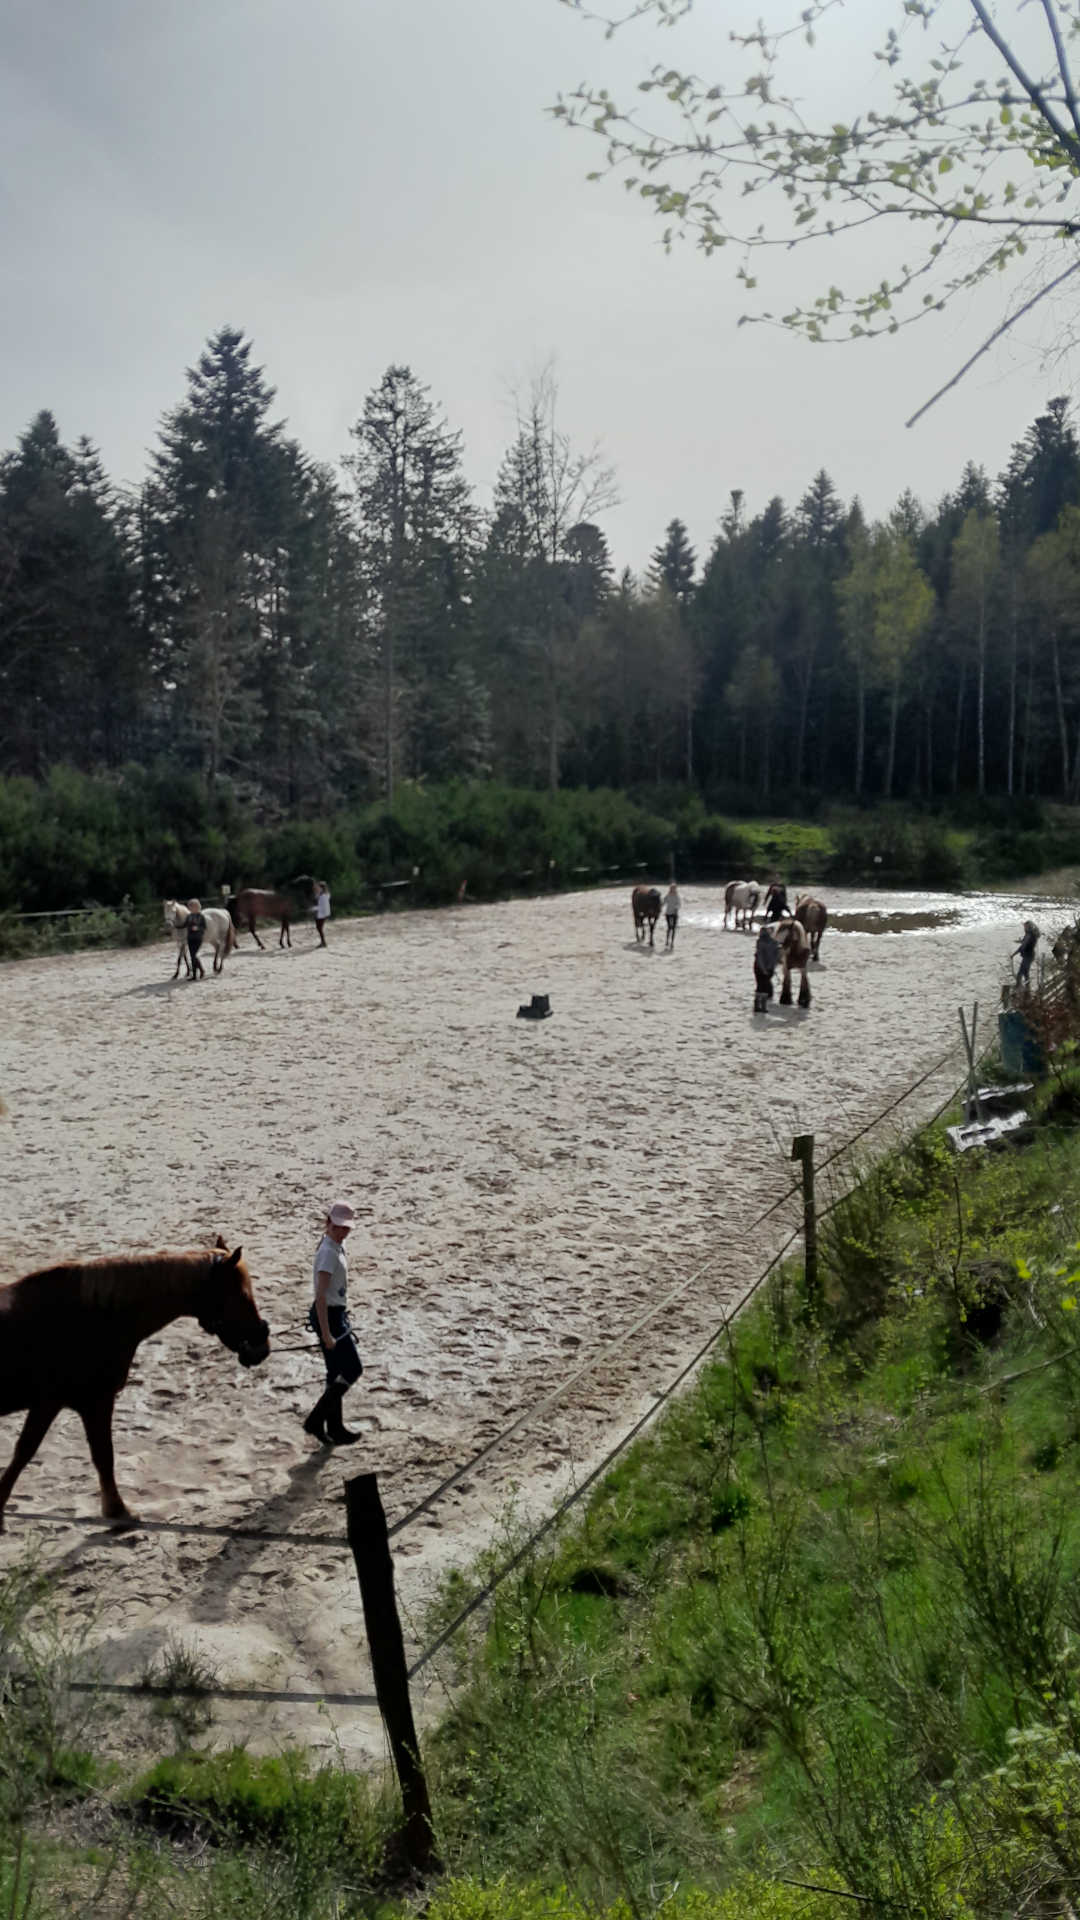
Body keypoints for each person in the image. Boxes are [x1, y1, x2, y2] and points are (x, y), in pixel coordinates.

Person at [303, 1202, 363, 1445]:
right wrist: (326, 1333)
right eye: (339, 1227)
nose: (343, 1232)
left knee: (335, 1373)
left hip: (336, 1312)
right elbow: (320, 1295)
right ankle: (316, 1420)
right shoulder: (328, 1252)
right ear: (329, 1223)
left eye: (346, 1228)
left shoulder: (336, 1244)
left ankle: (334, 1427)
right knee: (352, 1369)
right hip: (329, 1316)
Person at [754, 923, 780, 1011]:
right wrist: (771, 967)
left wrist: (763, 968)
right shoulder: (774, 943)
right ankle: (762, 1006)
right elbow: (776, 957)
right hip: (768, 968)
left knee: (760, 986)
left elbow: (759, 957)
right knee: (764, 986)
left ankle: (758, 1005)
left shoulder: (760, 942)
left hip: (760, 967)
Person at [185, 898, 207, 980]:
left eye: (192, 906)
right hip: (190, 938)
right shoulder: (189, 916)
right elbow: (184, 925)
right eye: (189, 907)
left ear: (197, 907)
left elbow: (204, 927)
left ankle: (201, 970)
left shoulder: (201, 916)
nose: (190, 908)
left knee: (194, 956)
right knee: (192, 957)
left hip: (198, 938)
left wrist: (197, 928)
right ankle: (194, 975)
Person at [1013, 919, 1039, 986]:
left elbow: (1023, 946)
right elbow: (1025, 943)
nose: (1024, 927)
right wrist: (1020, 941)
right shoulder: (1032, 934)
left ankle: (1018, 987)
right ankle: (1027, 988)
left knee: (1020, 973)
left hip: (1028, 956)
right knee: (1025, 972)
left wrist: (1014, 954)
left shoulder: (1029, 935)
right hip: (1030, 955)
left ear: (1028, 927)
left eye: (1025, 926)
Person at [662, 882, 681, 950]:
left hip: (674, 914)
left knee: (673, 929)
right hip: (668, 913)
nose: (673, 889)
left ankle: (672, 942)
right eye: (671, 888)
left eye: (674, 888)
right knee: (669, 928)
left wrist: (676, 908)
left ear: (675, 889)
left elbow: (679, 904)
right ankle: (667, 941)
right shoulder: (668, 895)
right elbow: (663, 902)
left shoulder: (677, 896)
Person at [314, 882, 331, 948]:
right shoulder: (320, 895)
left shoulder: (324, 896)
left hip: (322, 914)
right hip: (319, 914)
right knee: (319, 928)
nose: (317, 888)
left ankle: (323, 942)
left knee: (319, 928)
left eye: (318, 887)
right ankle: (323, 942)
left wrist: (313, 909)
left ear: (322, 888)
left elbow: (322, 906)